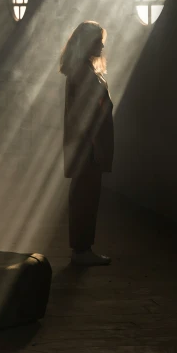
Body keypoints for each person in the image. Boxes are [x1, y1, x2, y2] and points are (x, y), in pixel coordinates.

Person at [59, 21, 114, 266]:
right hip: (88, 147)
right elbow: (87, 113)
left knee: (84, 196)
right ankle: (82, 250)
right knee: (86, 197)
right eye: (98, 40)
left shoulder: (80, 70)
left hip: (86, 145)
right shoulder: (83, 73)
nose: (102, 44)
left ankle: (81, 249)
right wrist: (95, 147)